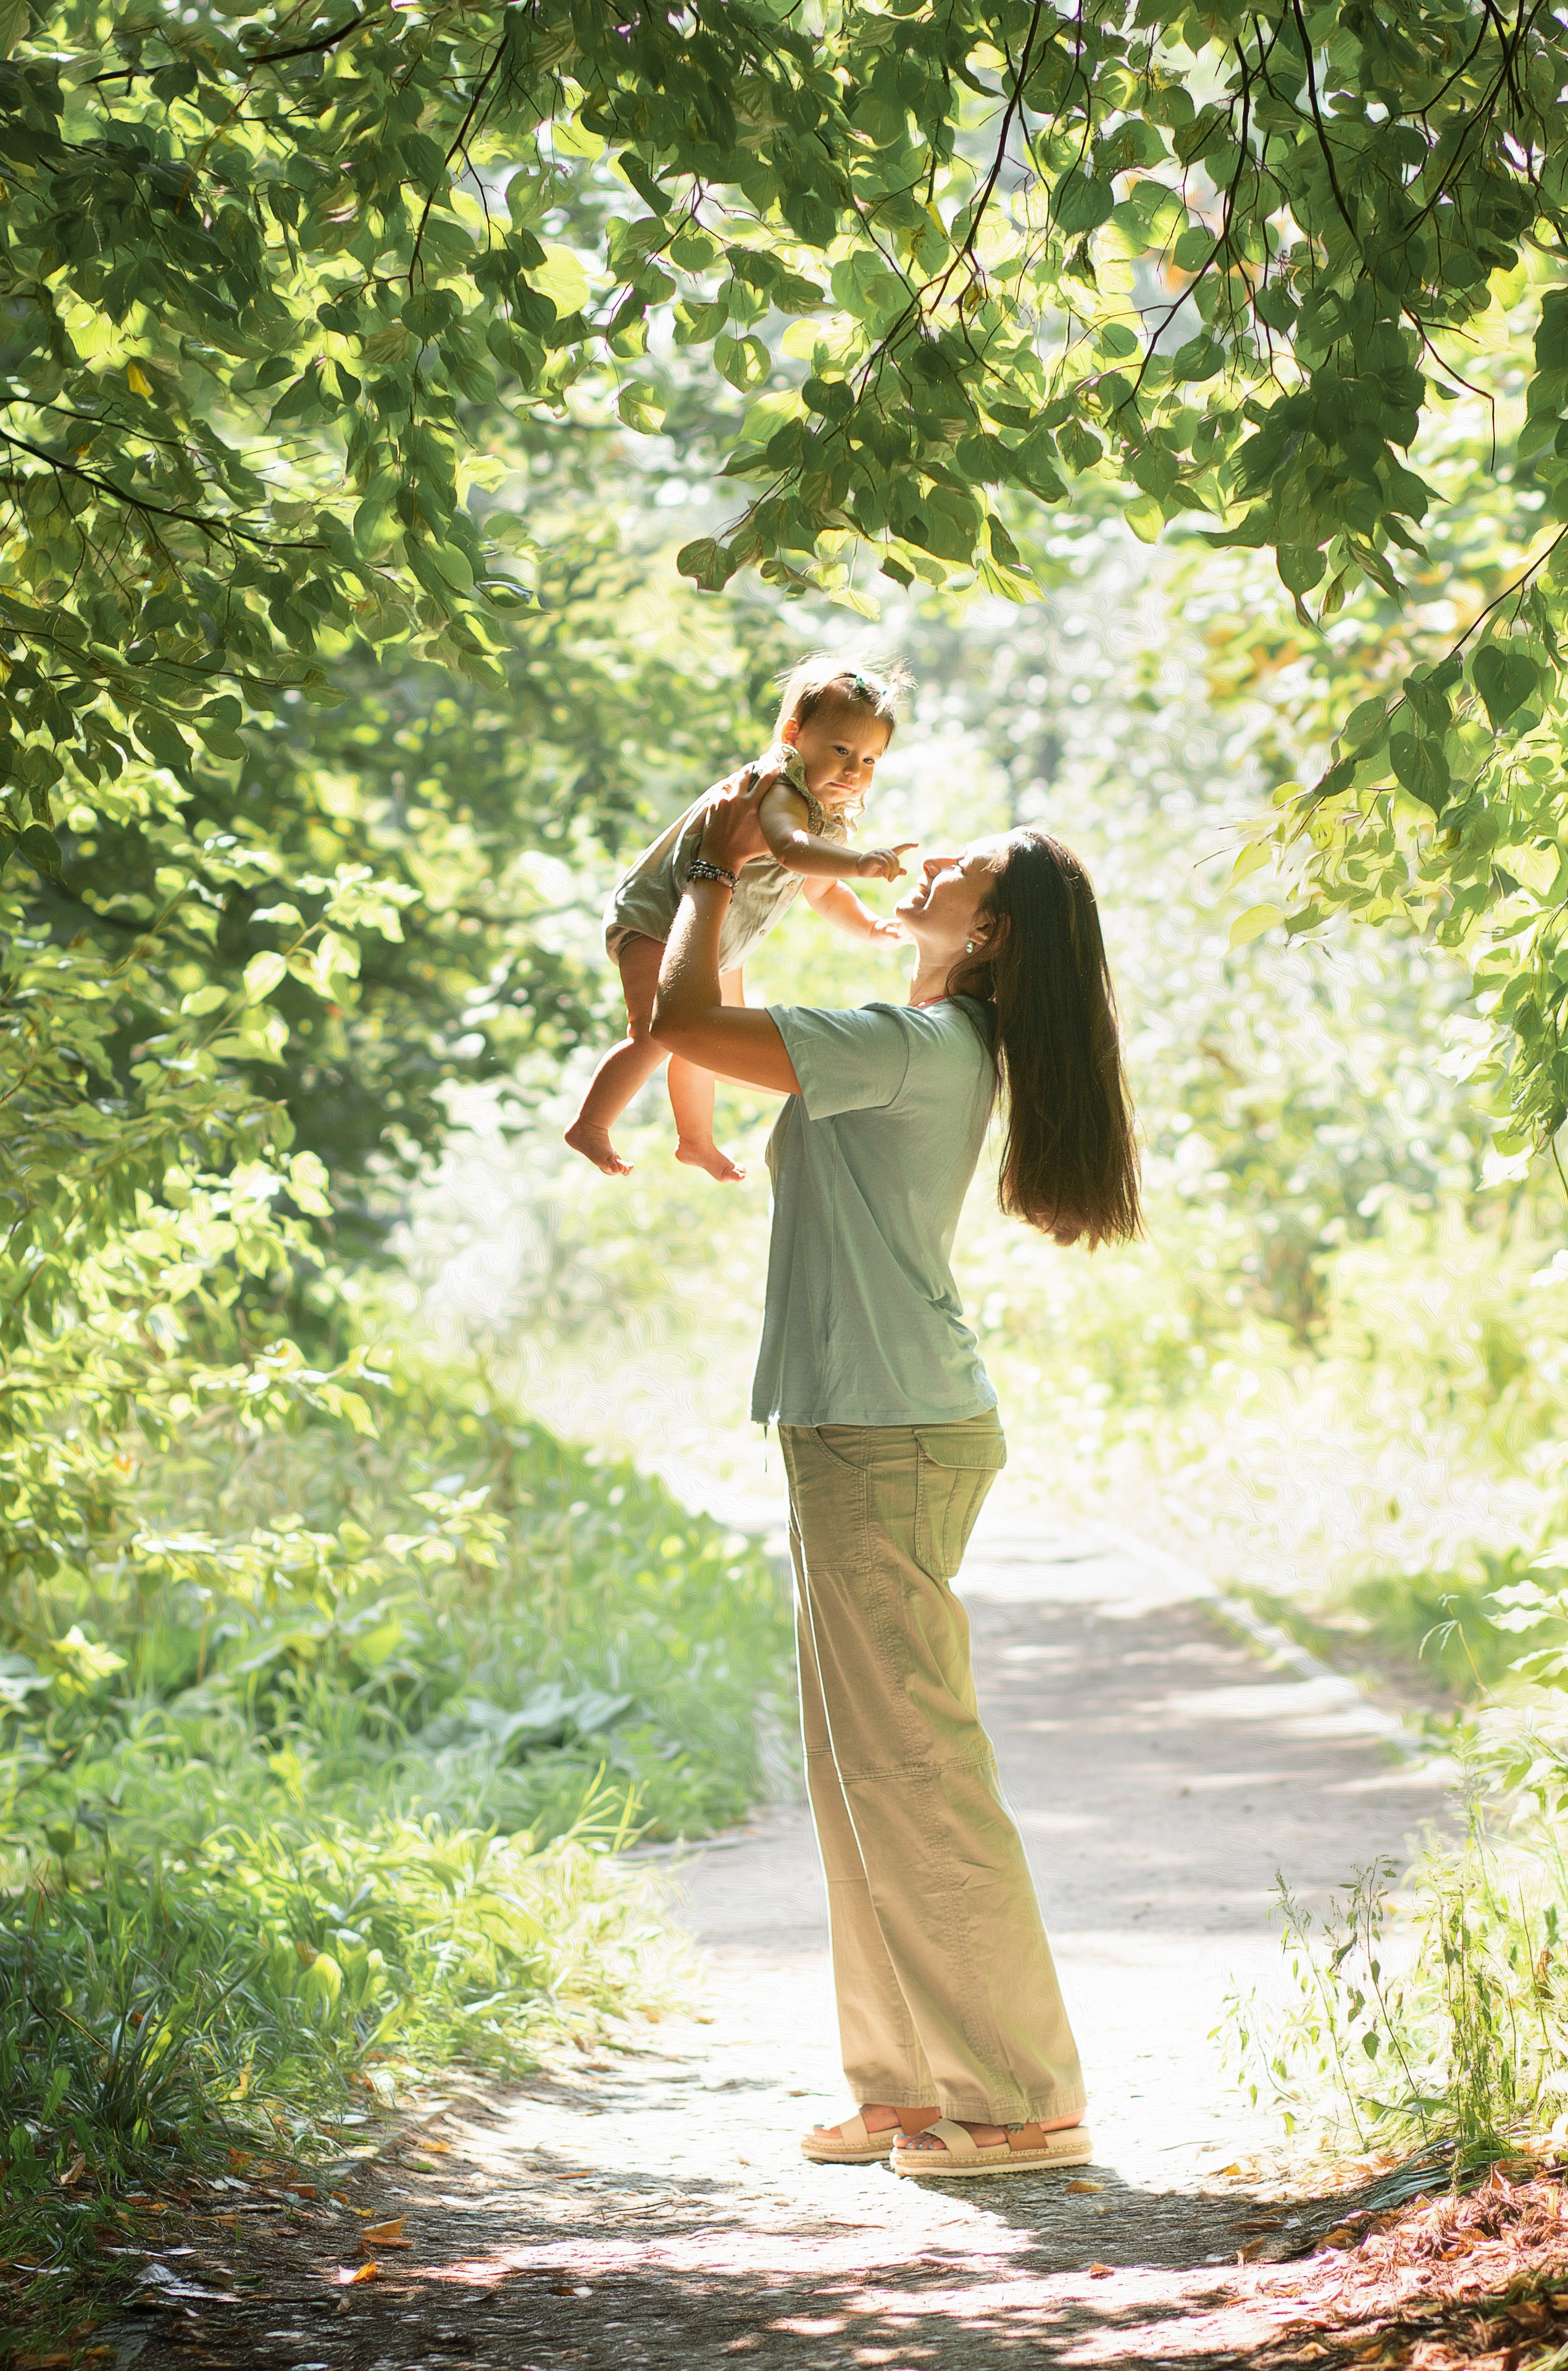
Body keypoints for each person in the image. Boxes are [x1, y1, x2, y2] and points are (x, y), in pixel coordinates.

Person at [651, 771, 1143, 2180]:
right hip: (851, 1420)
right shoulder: (916, 1037)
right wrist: (744, 882)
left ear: (986, 934)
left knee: (913, 1761)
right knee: (855, 1766)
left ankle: (1019, 2095)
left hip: (889, 1429)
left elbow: (681, 1018)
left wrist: (702, 874)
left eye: (960, 870)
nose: (923, 866)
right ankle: (911, 2086)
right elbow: (705, 1015)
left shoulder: (917, 1045)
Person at [564, 654, 917, 1185]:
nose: (853, 771)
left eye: (870, 760)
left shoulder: (826, 813)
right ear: (795, 735)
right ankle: (590, 1125)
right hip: (661, 917)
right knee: (655, 1032)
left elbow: (821, 890)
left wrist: (869, 926)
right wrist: (862, 862)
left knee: (708, 1035)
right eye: (841, 750)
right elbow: (791, 850)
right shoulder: (778, 787)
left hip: (718, 938)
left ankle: (695, 1141)